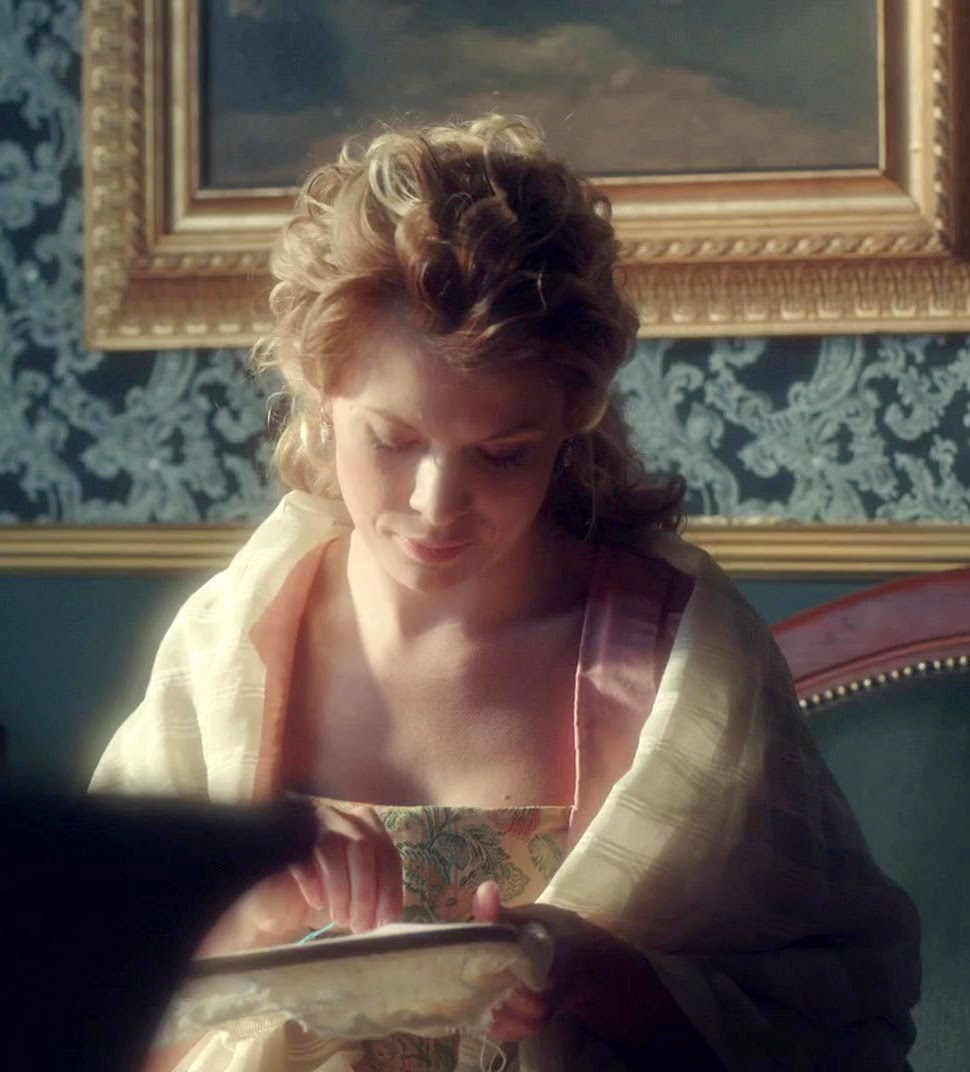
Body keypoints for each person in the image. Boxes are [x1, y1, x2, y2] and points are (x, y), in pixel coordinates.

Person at [91, 115, 920, 1072]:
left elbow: (837, 1018)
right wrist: (252, 910)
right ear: (320, 394)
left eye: (501, 453)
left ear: (573, 419)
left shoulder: (682, 664)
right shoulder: (233, 647)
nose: (436, 504)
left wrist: (600, 975)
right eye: (393, 440)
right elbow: (72, 994)